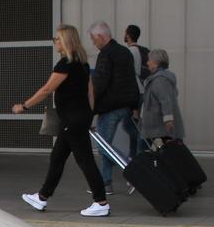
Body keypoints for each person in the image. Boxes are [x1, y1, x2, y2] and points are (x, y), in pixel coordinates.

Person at [12, 24, 108, 216]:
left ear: (66, 41)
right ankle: (42, 197)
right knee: (57, 157)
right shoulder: (82, 63)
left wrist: (24, 106)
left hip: (72, 120)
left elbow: (47, 90)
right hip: (77, 118)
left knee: (85, 160)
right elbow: (90, 91)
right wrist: (89, 115)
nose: (55, 42)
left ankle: (101, 202)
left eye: (57, 39)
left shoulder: (65, 64)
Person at [88, 21, 140, 193]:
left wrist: (91, 107)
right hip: (125, 106)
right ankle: (106, 183)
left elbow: (100, 83)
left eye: (93, 39)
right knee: (105, 145)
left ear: (101, 37)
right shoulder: (125, 52)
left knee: (104, 146)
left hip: (110, 107)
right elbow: (131, 80)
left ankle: (130, 170)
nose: (93, 43)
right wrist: (134, 105)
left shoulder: (106, 54)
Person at [138, 49, 185, 145]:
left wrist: (168, 120)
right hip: (157, 128)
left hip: (158, 128)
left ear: (156, 63)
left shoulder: (160, 80)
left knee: (144, 152)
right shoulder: (162, 79)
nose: (147, 63)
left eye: (149, 60)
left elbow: (165, 100)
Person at [124, 24, 150, 158]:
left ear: (128, 35)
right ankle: (134, 154)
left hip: (133, 92)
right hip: (142, 90)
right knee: (136, 123)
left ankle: (139, 150)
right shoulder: (143, 50)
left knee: (128, 125)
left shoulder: (130, 51)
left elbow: (127, 73)